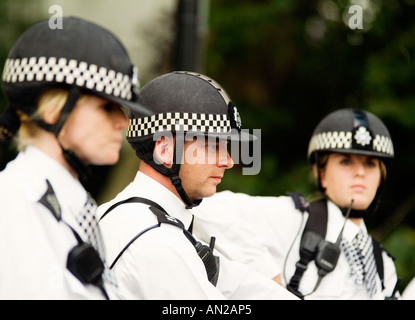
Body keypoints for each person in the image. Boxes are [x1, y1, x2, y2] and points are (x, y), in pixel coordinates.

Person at [97, 71, 297, 299]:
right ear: (165, 150)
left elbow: (236, 282)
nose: (228, 161)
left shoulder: (124, 215)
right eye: (213, 147)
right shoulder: (157, 240)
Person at [0, 17, 149, 299]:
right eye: (106, 107)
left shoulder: (62, 203)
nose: (123, 122)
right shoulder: (16, 207)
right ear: (53, 111)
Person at [192, 108, 400, 300]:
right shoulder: (294, 218)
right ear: (321, 174)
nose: (360, 173)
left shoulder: (383, 264)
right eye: (345, 161)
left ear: (381, 178)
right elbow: (206, 207)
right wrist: (270, 279)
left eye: (371, 164)